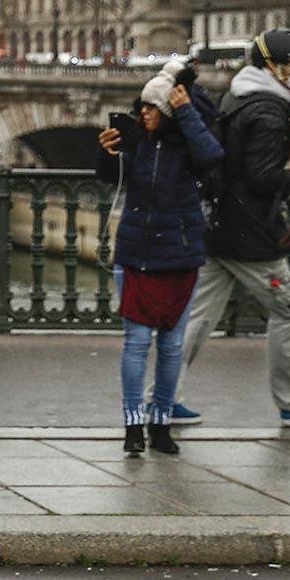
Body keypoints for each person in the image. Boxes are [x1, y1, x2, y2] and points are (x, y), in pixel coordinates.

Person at [172, 26, 290, 427]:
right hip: (248, 234)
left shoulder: (238, 96)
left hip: (219, 222)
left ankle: (161, 399)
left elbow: (235, 170)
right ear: (276, 68)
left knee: (197, 318)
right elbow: (259, 177)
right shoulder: (270, 111)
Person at [97, 60, 222, 455]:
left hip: (179, 256)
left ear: (167, 111)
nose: (143, 114)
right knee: (135, 342)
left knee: (170, 346)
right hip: (134, 253)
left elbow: (212, 156)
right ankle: (134, 425)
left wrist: (185, 110)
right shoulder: (138, 142)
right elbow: (113, 179)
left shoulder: (188, 147)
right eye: (142, 108)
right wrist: (107, 154)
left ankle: (161, 421)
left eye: (151, 108)